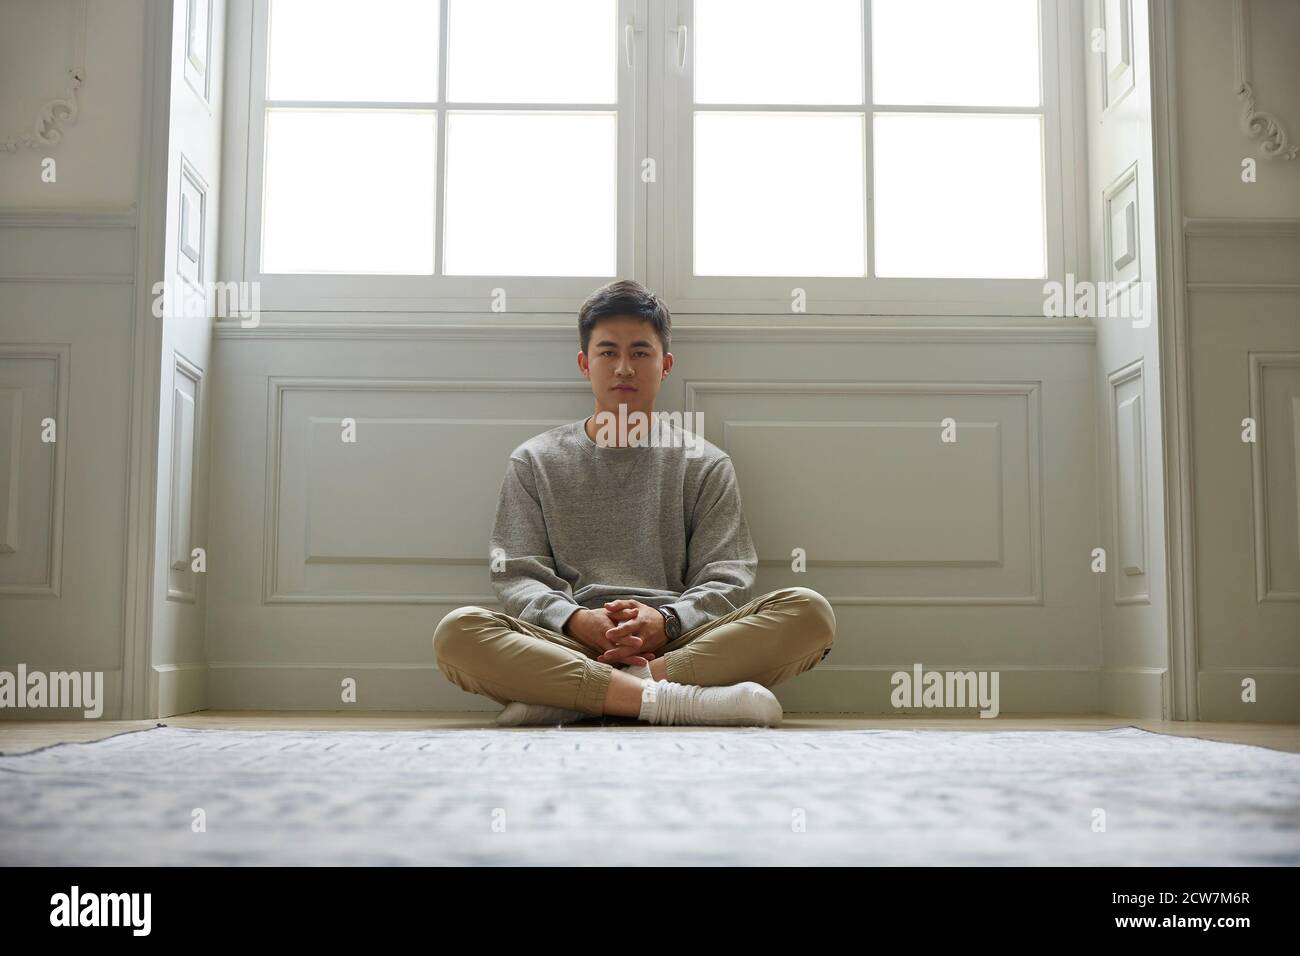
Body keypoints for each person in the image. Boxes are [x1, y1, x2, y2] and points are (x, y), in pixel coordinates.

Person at [433, 279, 835, 726]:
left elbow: (728, 577)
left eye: (640, 353)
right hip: (567, 644)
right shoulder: (534, 461)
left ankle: (582, 695)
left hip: (680, 644)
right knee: (458, 633)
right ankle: (673, 701)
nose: (624, 367)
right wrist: (580, 621)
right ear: (585, 364)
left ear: (664, 366)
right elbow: (518, 578)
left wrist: (665, 620)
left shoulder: (706, 463)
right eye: (608, 352)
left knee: (809, 613)